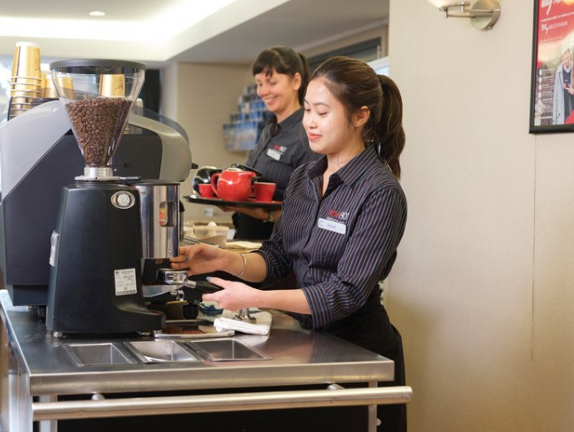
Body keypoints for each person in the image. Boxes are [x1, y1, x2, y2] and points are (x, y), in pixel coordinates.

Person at [172, 56, 408, 431]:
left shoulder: (379, 192)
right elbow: (279, 257)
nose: (309, 122)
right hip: (307, 343)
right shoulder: (304, 178)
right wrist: (223, 260)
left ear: (361, 116)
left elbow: (343, 294)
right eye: (309, 110)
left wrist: (254, 298)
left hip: (359, 350)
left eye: (322, 112)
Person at [221, 46, 320, 240]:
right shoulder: (269, 129)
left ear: (296, 81)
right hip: (248, 238)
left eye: (272, 82)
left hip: (279, 245)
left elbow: (310, 207)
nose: (264, 91)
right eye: (259, 84)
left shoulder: (306, 133)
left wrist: (266, 214)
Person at [552, 47, 574, 125]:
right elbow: (556, 96)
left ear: (570, 56)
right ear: (562, 58)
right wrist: (554, 120)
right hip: (562, 115)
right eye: (565, 59)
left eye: (568, 58)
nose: (567, 61)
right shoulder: (559, 72)